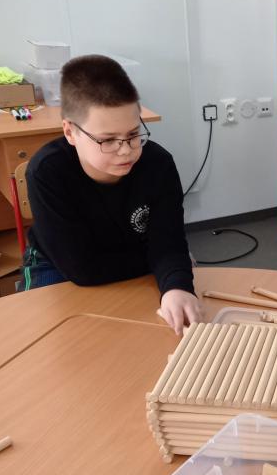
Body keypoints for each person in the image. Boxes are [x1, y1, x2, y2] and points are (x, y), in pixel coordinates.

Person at [23, 54, 202, 335]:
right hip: (59, 263)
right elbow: (82, 270)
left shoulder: (159, 165)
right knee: (56, 339)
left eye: (133, 134)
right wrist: (163, 258)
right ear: (70, 132)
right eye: (107, 140)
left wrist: (176, 285)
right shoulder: (47, 172)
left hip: (130, 253)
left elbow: (168, 242)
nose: (126, 150)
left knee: (154, 333)